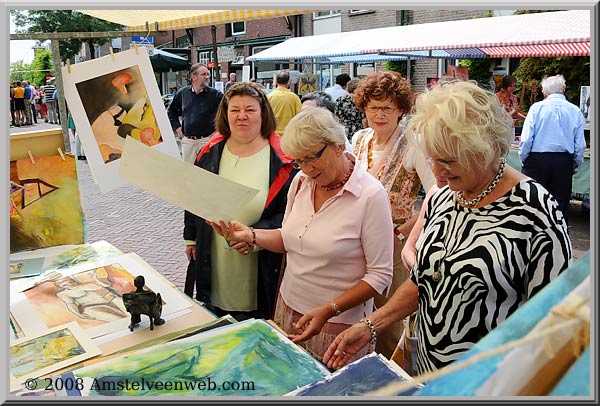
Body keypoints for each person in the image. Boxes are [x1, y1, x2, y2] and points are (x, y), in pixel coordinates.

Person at [324, 80, 572, 375]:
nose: (438, 176)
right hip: (428, 373)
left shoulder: (535, 212)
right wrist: (371, 325)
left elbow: (555, 324)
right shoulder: (444, 197)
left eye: (447, 162)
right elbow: (424, 279)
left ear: (485, 148)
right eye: (432, 159)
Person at [207, 107, 394, 363]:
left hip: (338, 326)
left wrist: (329, 310)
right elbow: (289, 238)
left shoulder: (371, 196)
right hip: (289, 308)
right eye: (298, 161)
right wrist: (250, 235)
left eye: (311, 158)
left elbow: (380, 276)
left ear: (338, 145)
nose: (305, 168)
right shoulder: (301, 182)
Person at [183, 82, 297, 320]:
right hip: (214, 255)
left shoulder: (283, 158)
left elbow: (289, 213)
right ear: (225, 114)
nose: (241, 116)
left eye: (250, 110)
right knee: (217, 322)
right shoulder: (209, 152)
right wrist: (191, 238)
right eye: (234, 110)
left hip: (260, 259)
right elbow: (194, 196)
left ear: (263, 113)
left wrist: (254, 237)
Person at [351, 70, 436, 359]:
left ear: (400, 109)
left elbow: (436, 194)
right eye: (373, 107)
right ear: (364, 108)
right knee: (359, 309)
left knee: (387, 319)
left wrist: (405, 231)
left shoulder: (414, 143)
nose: (380, 114)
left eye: (387, 107)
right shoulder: (360, 139)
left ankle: (392, 376)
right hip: (356, 239)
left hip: (393, 240)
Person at [519, 74, 586, 225]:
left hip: (536, 159)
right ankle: (558, 241)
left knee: (531, 202)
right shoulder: (574, 110)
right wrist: (574, 163)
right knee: (560, 205)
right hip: (563, 161)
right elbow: (580, 145)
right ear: (564, 88)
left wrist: (525, 159)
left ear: (543, 91)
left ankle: (530, 239)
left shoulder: (536, 108)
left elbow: (526, 139)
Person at [167, 63, 224, 163]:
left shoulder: (215, 95)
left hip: (207, 141)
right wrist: (178, 128)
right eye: (203, 74)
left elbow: (227, 112)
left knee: (207, 173)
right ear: (194, 77)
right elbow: (171, 111)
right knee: (188, 174)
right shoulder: (182, 93)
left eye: (208, 74)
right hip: (188, 142)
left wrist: (217, 132)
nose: (207, 77)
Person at [267, 70, 302, 136]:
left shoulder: (269, 97)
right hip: (289, 134)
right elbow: (300, 116)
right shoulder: (294, 97)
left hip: (273, 134)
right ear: (288, 82)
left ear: (276, 82)